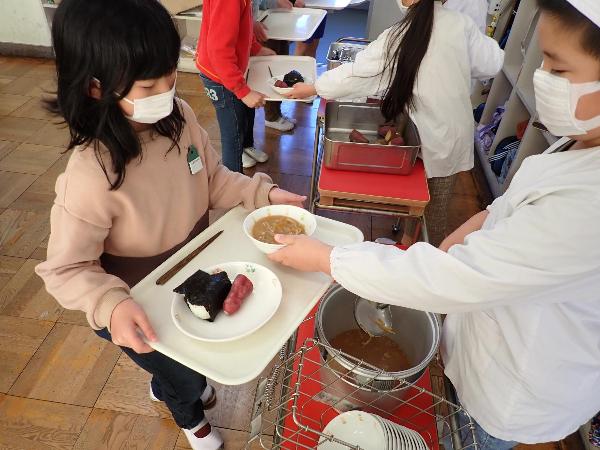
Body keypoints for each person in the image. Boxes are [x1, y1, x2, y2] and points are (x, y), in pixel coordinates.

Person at [270, 0, 600, 447]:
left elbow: (460, 274)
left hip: (516, 388)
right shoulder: (576, 144)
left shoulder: (587, 209)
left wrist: (328, 258)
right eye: (542, 63)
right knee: (435, 217)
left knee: (471, 435)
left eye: (558, 70)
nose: (542, 79)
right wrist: (477, 224)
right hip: (452, 154)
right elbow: (510, 211)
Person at [34, 1, 305, 449]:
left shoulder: (177, 116)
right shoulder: (89, 176)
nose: (167, 90)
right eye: (148, 85)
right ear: (96, 88)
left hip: (195, 269)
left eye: (170, 76)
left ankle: (171, 381)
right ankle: (192, 420)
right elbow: (66, 270)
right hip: (137, 298)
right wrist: (111, 305)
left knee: (194, 356)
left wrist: (263, 195)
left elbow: (214, 178)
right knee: (178, 371)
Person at [287, 0, 504, 246]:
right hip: (451, 133)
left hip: (438, 137)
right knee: (424, 200)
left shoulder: (400, 34)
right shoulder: (460, 23)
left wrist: (314, 87)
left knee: (432, 215)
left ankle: (428, 263)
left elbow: (356, 73)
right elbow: (492, 64)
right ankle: (407, 244)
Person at [196, 0, 277, 171]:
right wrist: (242, 91)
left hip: (233, 71)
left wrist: (255, 48)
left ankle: (246, 147)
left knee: (247, 113)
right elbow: (219, 50)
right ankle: (233, 185)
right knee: (233, 132)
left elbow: (243, 26)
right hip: (220, 78)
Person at [253, 0, 303, 132]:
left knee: (280, 68)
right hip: (262, 22)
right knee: (270, 72)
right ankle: (271, 116)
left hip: (272, 19)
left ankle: (276, 113)